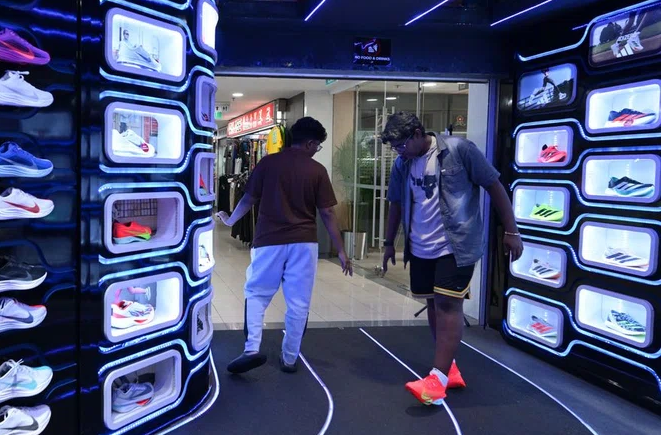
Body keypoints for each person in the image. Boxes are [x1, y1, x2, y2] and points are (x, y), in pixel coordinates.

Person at [380, 112, 523, 405]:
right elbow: (395, 203)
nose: (400, 150)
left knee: (448, 303)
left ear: (419, 133)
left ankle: (438, 380)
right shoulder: (401, 164)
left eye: (403, 144)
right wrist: (388, 244)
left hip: (455, 244)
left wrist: (512, 231)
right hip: (420, 246)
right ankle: (449, 368)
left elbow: (494, 185)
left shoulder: (459, 150)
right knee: (432, 304)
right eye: (395, 147)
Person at [217, 116, 353, 375]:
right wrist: (342, 251)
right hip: (304, 243)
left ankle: (251, 348)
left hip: (268, 241)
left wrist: (230, 219)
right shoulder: (317, 171)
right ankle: (289, 358)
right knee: (299, 302)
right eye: (318, 146)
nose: (316, 150)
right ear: (310, 143)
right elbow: (327, 213)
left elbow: (248, 199)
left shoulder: (268, 163)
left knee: (257, 293)